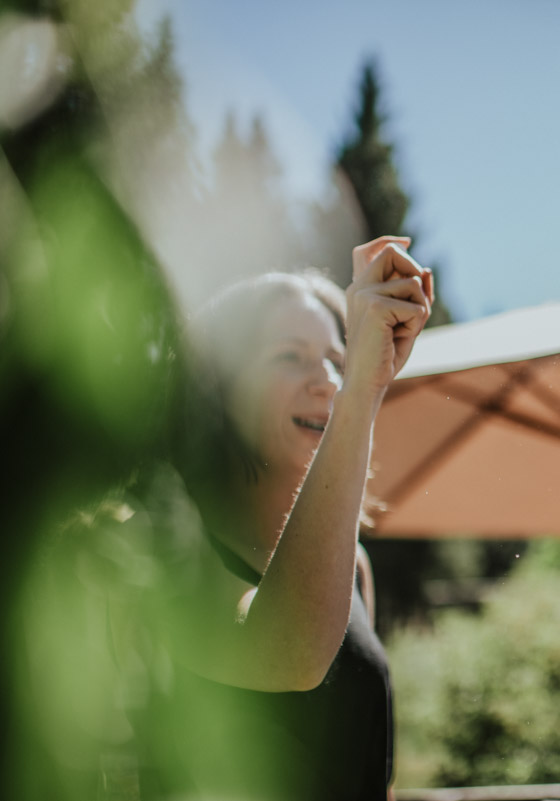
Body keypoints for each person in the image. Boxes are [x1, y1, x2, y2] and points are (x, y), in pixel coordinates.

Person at [126, 236, 432, 800]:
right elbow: (288, 652)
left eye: (337, 361)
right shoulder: (169, 550)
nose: (327, 382)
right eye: (289, 357)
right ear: (215, 392)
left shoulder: (355, 569)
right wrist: (362, 386)